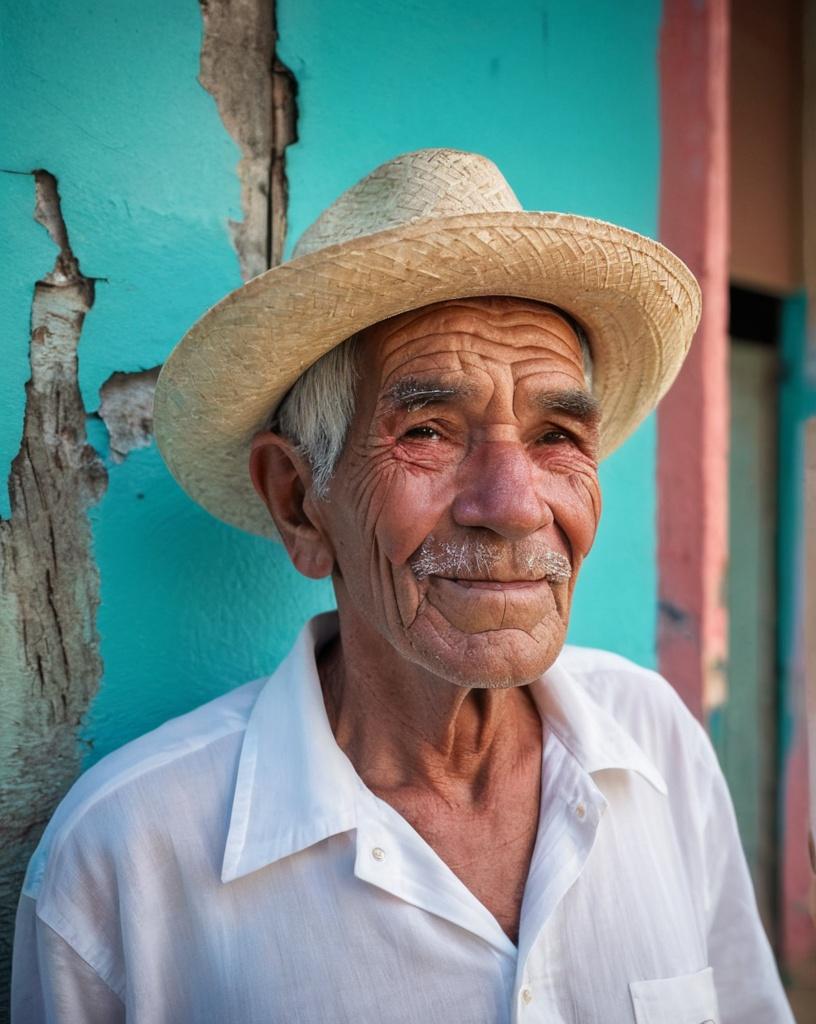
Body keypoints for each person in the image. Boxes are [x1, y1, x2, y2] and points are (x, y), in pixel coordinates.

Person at [12, 149, 794, 1022]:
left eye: (556, 437)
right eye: (426, 430)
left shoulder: (657, 745)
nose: (513, 507)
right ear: (299, 504)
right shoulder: (128, 859)